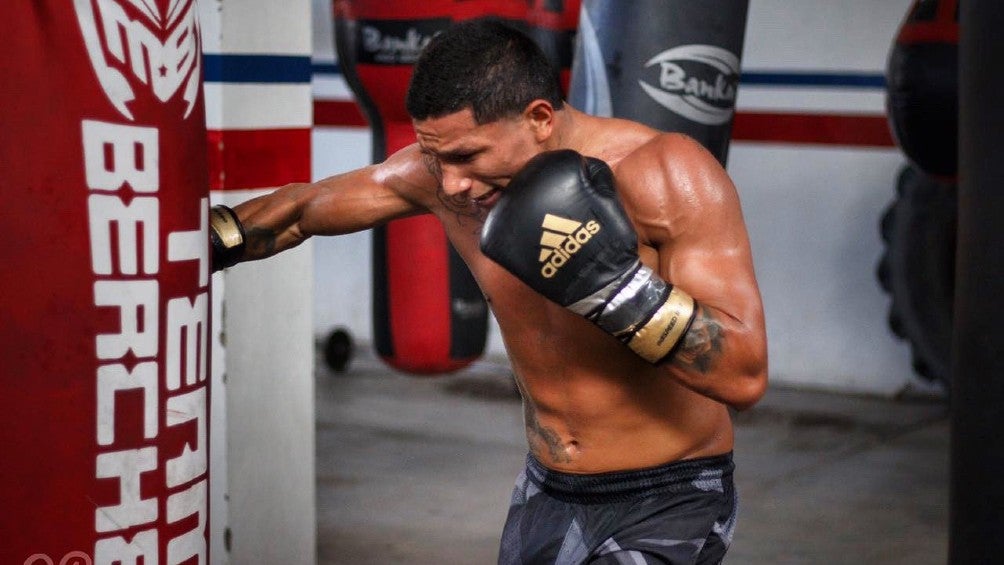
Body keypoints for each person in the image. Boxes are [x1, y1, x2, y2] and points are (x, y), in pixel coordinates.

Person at [211, 18, 767, 565]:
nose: (451, 183)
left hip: (669, 495)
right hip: (548, 492)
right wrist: (198, 244)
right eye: (436, 158)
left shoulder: (664, 173)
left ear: (540, 118)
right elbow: (303, 210)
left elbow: (742, 373)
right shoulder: (448, 180)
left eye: (468, 157)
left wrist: (613, 285)